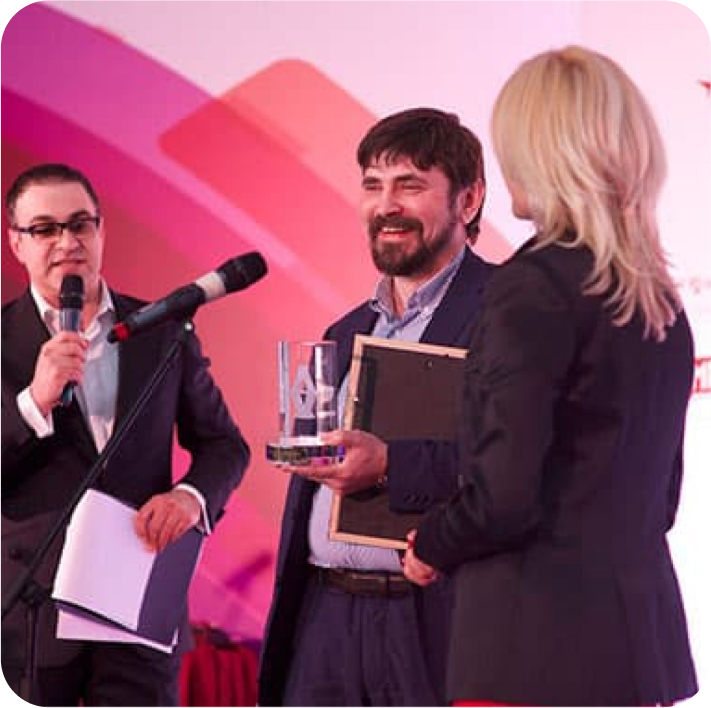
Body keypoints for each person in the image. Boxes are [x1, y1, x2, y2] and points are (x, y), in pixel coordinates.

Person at [403, 46, 699, 707]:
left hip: (531, 655)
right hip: (634, 657)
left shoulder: (533, 287)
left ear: (538, 149)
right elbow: (662, 499)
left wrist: (433, 541)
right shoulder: (657, 300)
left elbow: (503, 497)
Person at [258, 107, 494, 706]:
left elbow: (510, 465)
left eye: (409, 185)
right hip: (325, 619)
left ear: (468, 201)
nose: (386, 205)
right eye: (373, 185)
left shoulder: (506, 314)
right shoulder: (345, 330)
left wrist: (390, 464)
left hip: (434, 620)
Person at [1, 163, 251, 706]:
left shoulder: (161, 328)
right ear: (16, 242)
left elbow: (224, 445)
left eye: (80, 224)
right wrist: (33, 402)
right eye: (44, 229)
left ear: (101, 230)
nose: (67, 241)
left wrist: (190, 498)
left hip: (134, 606)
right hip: (30, 615)